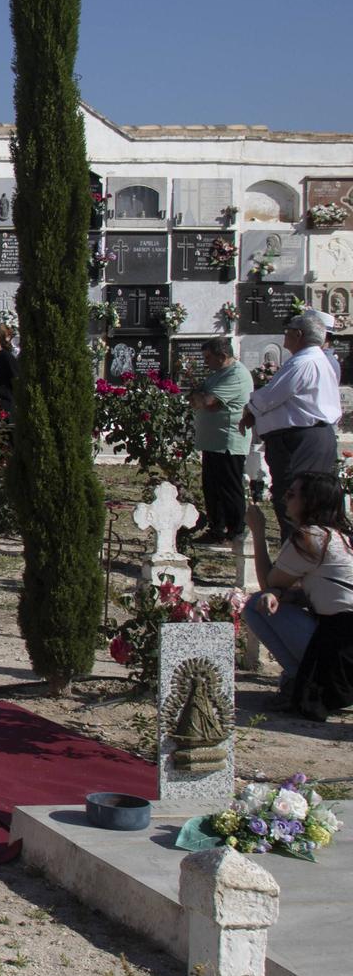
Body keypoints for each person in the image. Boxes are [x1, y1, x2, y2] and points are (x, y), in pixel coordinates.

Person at [242, 473, 353, 718]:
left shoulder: (311, 537)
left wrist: (258, 533)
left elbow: (268, 582)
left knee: (254, 605)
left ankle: (298, 679)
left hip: (342, 645)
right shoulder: (342, 537)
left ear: (309, 502)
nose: (284, 498)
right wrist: (286, 595)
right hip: (345, 641)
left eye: (292, 494)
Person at [243, 308, 344, 539]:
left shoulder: (305, 362)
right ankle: (304, 553)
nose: (284, 336)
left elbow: (272, 395)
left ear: (299, 334)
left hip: (300, 440)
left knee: (295, 496)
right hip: (308, 437)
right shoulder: (312, 359)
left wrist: (250, 410)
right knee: (306, 497)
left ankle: (298, 554)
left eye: (287, 332)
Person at [190, 337, 251, 547]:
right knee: (212, 488)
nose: (206, 362)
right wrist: (203, 399)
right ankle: (217, 529)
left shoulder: (236, 375)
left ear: (223, 356)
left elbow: (207, 401)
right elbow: (197, 399)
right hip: (212, 442)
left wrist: (204, 399)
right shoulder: (217, 374)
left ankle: (235, 531)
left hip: (228, 441)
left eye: (208, 358)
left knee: (229, 488)